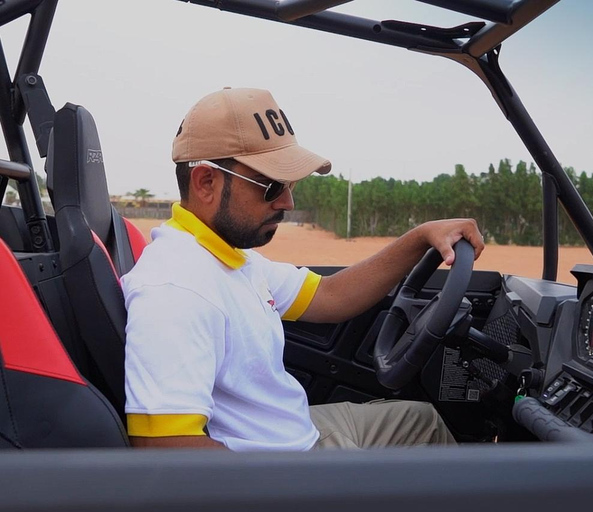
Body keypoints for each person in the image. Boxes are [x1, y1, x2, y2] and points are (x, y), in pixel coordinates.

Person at [122, 87, 485, 451]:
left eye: (290, 184)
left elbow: (331, 296)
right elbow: (167, 451)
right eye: (272, 185)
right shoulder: (175, 289)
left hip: (293, 431)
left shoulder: (228, 257)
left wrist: (421, 237)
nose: (288, 201)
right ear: (206, 182)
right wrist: (302, 486)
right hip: (284, 466)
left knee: (421, 423)